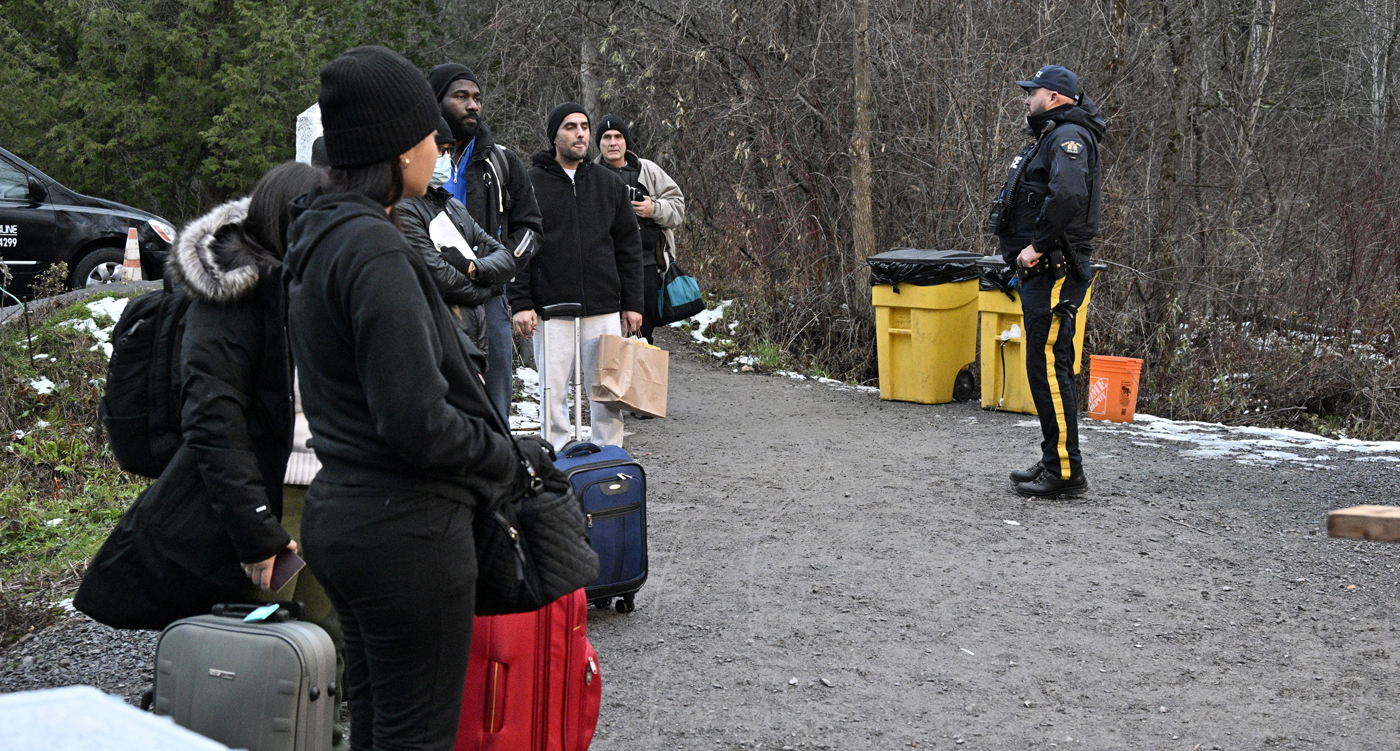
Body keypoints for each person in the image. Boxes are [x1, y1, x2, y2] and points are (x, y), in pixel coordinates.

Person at [284, 46, 538, 751]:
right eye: (431, 137)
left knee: (377, 726)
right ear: (398, 150)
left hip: (348, 518)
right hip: (406, 531)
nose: (441, 150)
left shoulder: (318, 232)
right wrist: (504, 455)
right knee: (416, 735)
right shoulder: (376, 250)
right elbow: (417, 421)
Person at [74, 161, 321, 629]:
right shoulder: (235, 294)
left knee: (321, 656)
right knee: (277, 655)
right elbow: (214, 420)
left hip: (314, 489)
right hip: (274, 499)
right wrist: (256, 531)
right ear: (293, 223)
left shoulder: (300, 284)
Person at [992, 65, 1105, 498]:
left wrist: (1037, 247)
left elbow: (1069, 196)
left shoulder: (1068, 138)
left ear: (1055, 97)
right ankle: (1054, 458)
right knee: (1043, 365)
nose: (1026, 99)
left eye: (1032, 92)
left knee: (1052, 367)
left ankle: (1065, 472)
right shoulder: (1053, 135)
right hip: (1043, 269)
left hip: (1055, 267)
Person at [509, 103, 645, 449]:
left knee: (607, 397)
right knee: (551, 396)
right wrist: (521, 302)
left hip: (603, 309)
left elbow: (628, 246)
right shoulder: (530, 183)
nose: (581, 133)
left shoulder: (607, 183)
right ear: (554, 135)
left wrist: (632, 303)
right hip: (551, 311)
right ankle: (553, 464)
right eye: (570, 127)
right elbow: (519, 246)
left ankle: (609, 462)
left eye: (584, 126)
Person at [427, 62, 543, 419]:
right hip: (429, 290)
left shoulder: (501, 160)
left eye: (477, 98)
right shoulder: (416, 158)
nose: (473, 105)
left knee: (494, 396)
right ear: (436, 101)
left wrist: (502, 265)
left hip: (489, 294)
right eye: (461, 96)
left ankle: (496, 465)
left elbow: (531, 227)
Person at [399, 117, 518, 353]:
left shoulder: (454, 207)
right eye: (440, 151)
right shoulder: (404, 209)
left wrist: (472, 268)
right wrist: (490, 287)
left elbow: (505, 259)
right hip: (438, 341)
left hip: (475, 339)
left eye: (448, 151)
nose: (445, 159)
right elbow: (441, 278)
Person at [595, 114, 686, 344]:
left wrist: (652, 208)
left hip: (645, 267)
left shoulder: (648, 171)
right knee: (606, 337)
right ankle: (608, 379)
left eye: (618, 136)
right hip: (603, 268)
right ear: (599, 143)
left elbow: (678, 208)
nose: (613, 142)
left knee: (642, 335)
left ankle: (641, 379)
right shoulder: (591, 175)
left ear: (626, 141)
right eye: (606, 137)